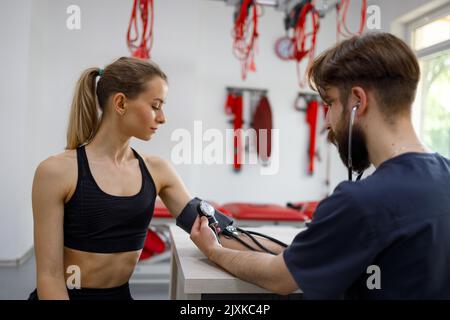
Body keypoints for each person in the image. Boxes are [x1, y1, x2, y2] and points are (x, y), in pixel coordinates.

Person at [190, 32, 450, 299]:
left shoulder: (361, 201)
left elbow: (278, 277)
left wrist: (214, 251)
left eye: (330, 103)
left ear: (358, 101)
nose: (326, 121)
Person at [29, 57, 282, 300]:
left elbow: (219, 231)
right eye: (155, 106)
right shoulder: (56, 172)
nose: (163, 118)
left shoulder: (157, 170)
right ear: (120, 103)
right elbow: (49, 277)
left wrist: (290, 252)